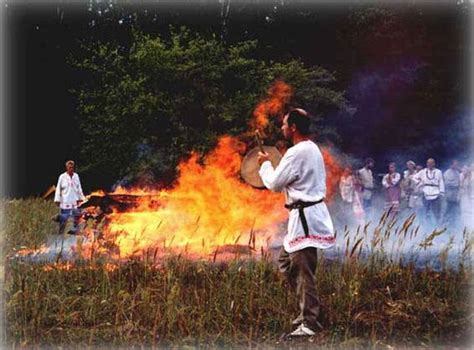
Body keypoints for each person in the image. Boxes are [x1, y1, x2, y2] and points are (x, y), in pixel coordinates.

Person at [257, 108, 335, 337]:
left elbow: (274, 183)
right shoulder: (311, 149)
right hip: (304, 217)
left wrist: (264, 164)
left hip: (306, 219)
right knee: (286, 263)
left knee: (302, 272)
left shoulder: (296, 152)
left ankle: (308, 322)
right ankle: (313, 310)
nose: (281, 128)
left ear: (293, 127)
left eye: (284, 124)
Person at [54, 160, 86, 234]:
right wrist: (57, 200)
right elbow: (58, 188)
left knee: (76, 219)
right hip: (65, 202)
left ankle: (75, 234)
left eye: (72, 167)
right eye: (69, 167)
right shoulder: (62, 177)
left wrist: (82, 198)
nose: (71, 169)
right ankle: (61, 234)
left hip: (74, 202)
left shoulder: (76, 176)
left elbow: (79, 188)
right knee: (63, 219)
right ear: (66, 168)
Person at [413, 158, 445, 227]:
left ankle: (437, 226)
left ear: (434, 164)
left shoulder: (438, 172)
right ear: (427, 164)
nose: (429, 164)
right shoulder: (423, 171)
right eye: (428, 163)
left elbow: (441, 181)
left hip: (436, 193)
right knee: (426, 212)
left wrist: (442, 192)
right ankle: (427, 226)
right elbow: (414, 177)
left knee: (436, 212)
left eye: (431, 163)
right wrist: (420, 183)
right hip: (426, 193)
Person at [443, 160, 461, 227]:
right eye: (455, 164)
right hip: (449, 195)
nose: (456, 166)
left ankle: (453, 224)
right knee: (447, 211)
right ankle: (444, 224)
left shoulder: (457, 172)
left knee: (455, 211)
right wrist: (456, 185)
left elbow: (459, 181)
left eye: (457, 164)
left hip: (455, 196)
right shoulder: (447, 173)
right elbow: (447, 183)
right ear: (451, 165)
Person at [459, 163, 474, 231]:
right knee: (464, 212)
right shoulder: (461, 175)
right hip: (464, 197)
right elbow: (461, 186)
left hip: (471, 196)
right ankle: (465, 227)